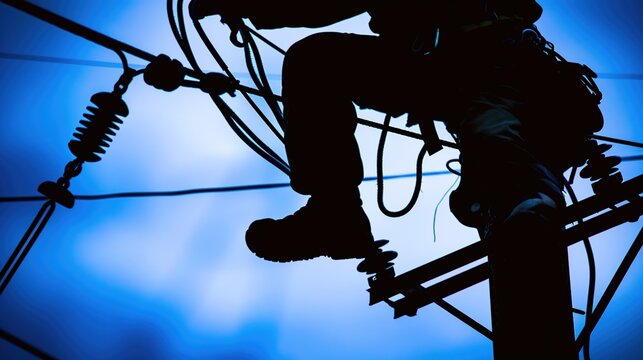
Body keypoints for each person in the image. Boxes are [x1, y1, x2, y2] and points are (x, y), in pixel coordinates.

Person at [190, 1, 603, 358]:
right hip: (441, 68)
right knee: (315, 62)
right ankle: (335, 213)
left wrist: (248, 6)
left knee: (497, 143)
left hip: (497, 61)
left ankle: (526, 209)